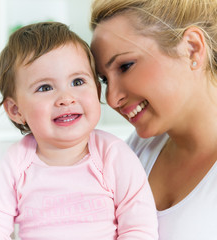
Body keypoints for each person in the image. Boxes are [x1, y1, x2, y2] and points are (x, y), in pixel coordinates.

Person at [0, 21, 158, 240]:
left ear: (97, 90)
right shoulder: (17, 163)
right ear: (16, 109)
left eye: (78, 82)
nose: (66, 98)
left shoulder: (114, 155)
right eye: (45, 87)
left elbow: (139, 227)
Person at [89, 0, 217, 239]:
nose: (112, 98)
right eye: (105, 79)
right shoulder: (133, 153)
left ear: (191, 48)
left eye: (125, 66)